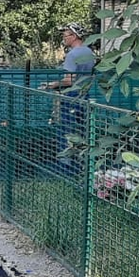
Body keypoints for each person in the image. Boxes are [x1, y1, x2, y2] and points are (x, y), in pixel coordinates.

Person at [43, 22, 96, 170]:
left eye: (65, 35)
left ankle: (65, 165)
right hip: (84, 93)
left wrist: (52, 84)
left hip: (71, 95)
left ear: (74, 36)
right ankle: (83, 164)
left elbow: (69, 80)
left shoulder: (72, 55)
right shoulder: (89, 52)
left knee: (66, 130)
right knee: (83, 129)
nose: (64, 38)